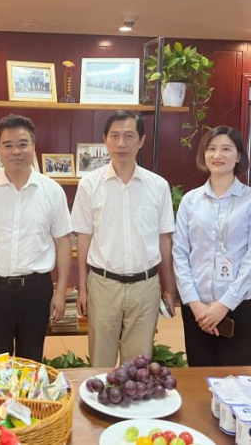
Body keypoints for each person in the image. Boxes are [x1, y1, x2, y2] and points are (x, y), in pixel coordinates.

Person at [0, 114, 72, 361]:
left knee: (31, 362)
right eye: (8, 145)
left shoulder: (52, 191)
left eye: (23, 144)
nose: (16, 151)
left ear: (33, 146)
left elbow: (63, 244)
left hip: (36, 290)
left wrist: (60, 291)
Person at [72, 110, 176, 368]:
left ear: (141, 140)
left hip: (145, 286)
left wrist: (169, 286)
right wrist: (82, 288)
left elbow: (164, 240)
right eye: (115, 136)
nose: (121, 143)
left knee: (138, 365)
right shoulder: (89, 184)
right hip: (103, 284)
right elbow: (83, 238)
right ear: (104, 139)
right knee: (101, 362)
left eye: (129, 136)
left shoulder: (158, 186)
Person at [172, 126, 251, 367]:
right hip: (197, 309)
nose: (218, 155)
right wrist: (194, 303)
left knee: (239, 379)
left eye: (226, 149)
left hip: (240, 306)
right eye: (212, 149)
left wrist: (224, 304)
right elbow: (180, 253)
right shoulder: (190, 201)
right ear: (204, 154)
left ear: (238, 156)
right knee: (201, 377)